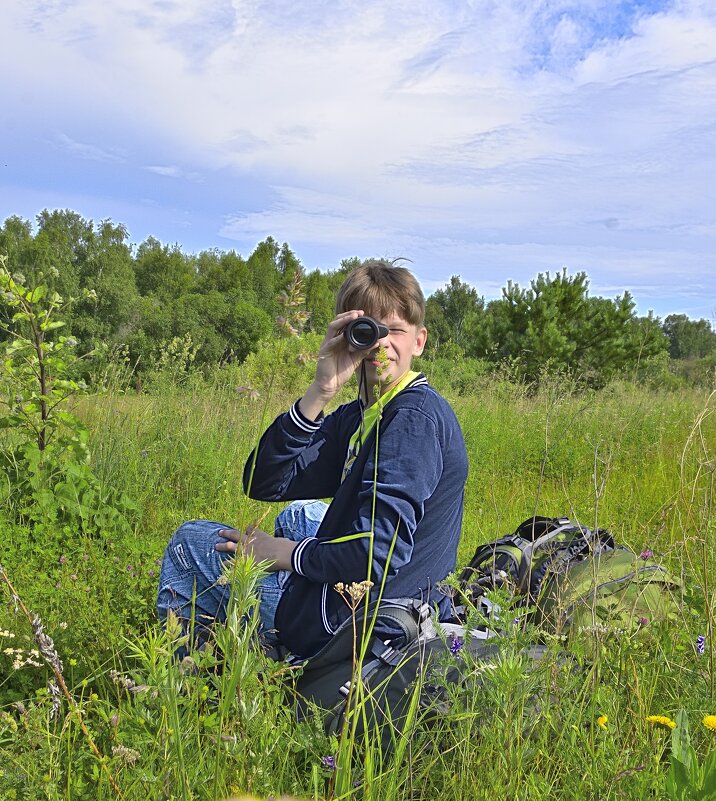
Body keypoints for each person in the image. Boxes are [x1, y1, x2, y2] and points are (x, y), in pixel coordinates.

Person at [157, 259, 468, 658]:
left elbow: (377, 552)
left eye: (394, 330)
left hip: (365, 625)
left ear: (419, 341)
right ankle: (252, 649)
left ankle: (188, 681)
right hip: (400, 598)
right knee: (299, 513)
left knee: (190, 542)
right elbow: (262, 481)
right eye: (367, 331)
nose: (380, 343)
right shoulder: (362, 416)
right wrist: (321, 390)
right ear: (347, 335)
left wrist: (284, 555)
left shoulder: (412, 418)